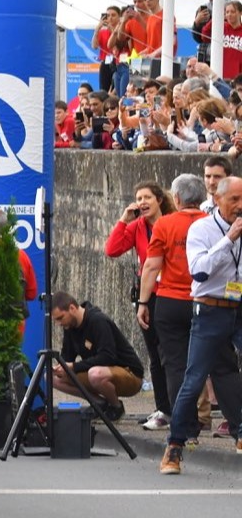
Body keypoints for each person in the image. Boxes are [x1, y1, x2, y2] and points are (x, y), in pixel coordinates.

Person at [161, 175, 242, 475]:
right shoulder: (202, 229)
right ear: (217, 199)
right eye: (234, 199)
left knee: (228, 374)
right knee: (194, 379)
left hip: (238, 308)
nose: (240, 206)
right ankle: (175, 445)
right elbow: (199, 271)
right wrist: (229, 238)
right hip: (210, 309)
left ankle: (240, 431)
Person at [137, 174, 209, 448]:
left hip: (170, 300)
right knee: (209, 363)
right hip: (205, 299)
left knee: (175, 366)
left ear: (176, 198)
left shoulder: (165, 224)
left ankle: (186, 428)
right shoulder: (210, 222)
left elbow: (151, 266)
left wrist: (143, 302)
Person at [104, 181, 176, 430]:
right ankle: (163, 408)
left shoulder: (171, 223)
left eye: (147, 197)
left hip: (171, 293)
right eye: (138, 198)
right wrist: (123, 220)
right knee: (155, 354)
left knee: (171, 355)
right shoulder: (138, 227)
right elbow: (112, 250)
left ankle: (177, 409)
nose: (142, 202)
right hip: (147, 295)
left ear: (159, 200)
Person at [50, 292, 144, 420]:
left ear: (72, 308)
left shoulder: (98, 321)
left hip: (130, 374)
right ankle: (99, 404)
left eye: (60, 318)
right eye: (56, 320)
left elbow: (108, 357)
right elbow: (67, 357)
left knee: (95, 374)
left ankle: (116, 407)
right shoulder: (70, 326)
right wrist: (59, 368)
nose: (59, 324)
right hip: (99, 373)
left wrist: (74, 366)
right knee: (52, 378)